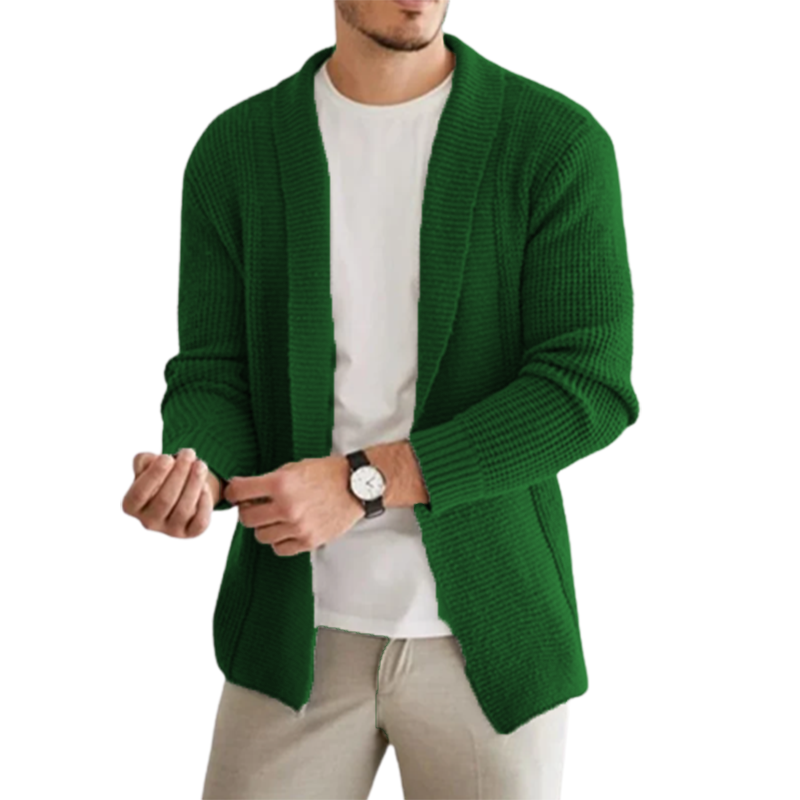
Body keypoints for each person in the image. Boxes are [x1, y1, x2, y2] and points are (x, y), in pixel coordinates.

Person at [122, 1, 640, 797]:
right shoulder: (237, 150)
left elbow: (586, 385)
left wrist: (362, 481)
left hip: (488, 637)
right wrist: (197, 467)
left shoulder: (554, 143)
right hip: (293, 634)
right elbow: (214, 372)